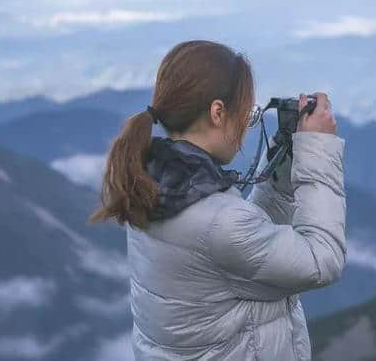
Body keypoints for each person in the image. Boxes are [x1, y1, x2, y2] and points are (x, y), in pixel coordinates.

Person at [88, 40, 346, 360]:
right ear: (217, 112)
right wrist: (318, 149)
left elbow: (244, 242)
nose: (246, 128)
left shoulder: (151, 186)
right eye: (247, 114)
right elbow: (323, 260)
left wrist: (286, 157)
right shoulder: (218, 222)